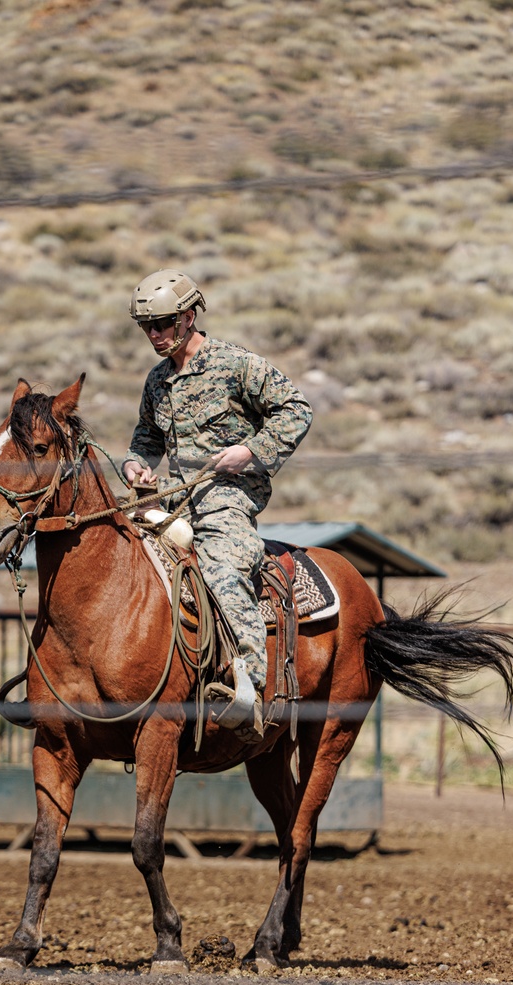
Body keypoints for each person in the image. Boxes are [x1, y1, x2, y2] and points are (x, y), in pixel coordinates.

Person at [122, 268, 313, 736]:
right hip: (173, 501)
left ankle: (249, 688)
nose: (154, 334)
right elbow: (146, 437)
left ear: (188, 317)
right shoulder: (157, 381)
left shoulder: (235, 364)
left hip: (227, 501)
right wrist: (135, 464)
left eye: (162, 323)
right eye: (147, 326)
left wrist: (250, 452)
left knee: (222, 570)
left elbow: (297, 409)